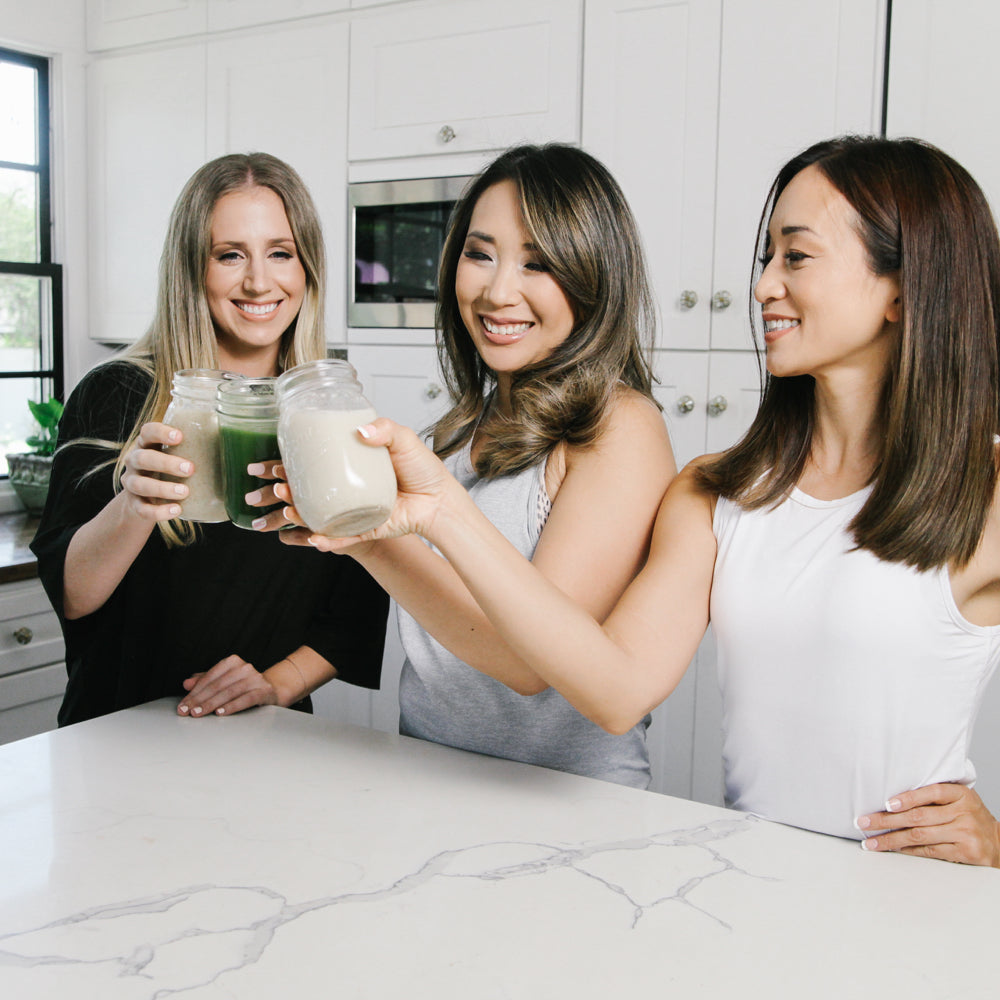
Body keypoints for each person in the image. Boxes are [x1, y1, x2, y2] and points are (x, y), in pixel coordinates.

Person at [286, 136, 1000, 867]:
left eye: (796, 256)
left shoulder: (988, 496)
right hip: (756, 881)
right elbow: (616, 687)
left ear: (905, 287)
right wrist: (412, 514)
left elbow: (536, 669)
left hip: (923, 904)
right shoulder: (717, 489)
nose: (761, 287)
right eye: (766, 258)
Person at [257, 143, 676, 788]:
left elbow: (527, 664)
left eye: (538, 263)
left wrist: (383, 539)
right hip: (432, 787)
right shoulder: (453, 435)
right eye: (479, 255)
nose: (497, 290)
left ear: (595, 276)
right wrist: (350, 525)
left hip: (572, 814)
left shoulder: (619, 427)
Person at [31, 152, 389, 726]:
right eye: (230, 255)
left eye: (281, 253)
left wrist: (273, 684)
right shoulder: (119, 395)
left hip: (267, 745)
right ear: (192, 269)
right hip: (118, 737)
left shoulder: (327, 414)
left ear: (308, 268)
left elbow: (352, 615)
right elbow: (75, 596)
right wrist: (134, 505)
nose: (258, 281)